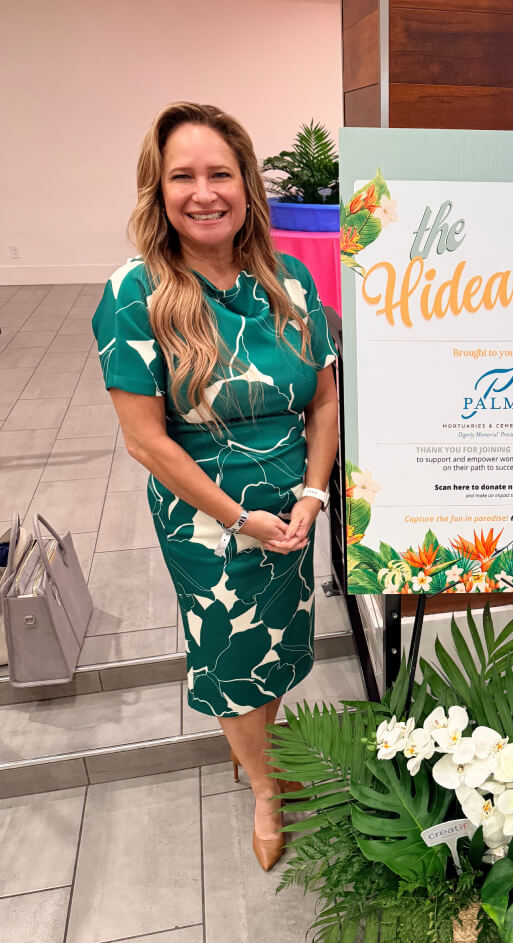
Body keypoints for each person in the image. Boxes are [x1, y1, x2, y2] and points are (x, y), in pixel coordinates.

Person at [92, 102, 339, 871]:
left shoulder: (289, 281)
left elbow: (324, 398)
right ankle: (264, 786)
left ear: (246, 185)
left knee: (278, 643)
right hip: (207, 522)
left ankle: (258, 752)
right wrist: (241, 519)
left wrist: (312, 495)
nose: (204, 193)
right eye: (183, 177)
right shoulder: (135, 294)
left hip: (292, 510)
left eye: (220, 174)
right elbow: (146, 440)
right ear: (158, 190)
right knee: (231, 659)